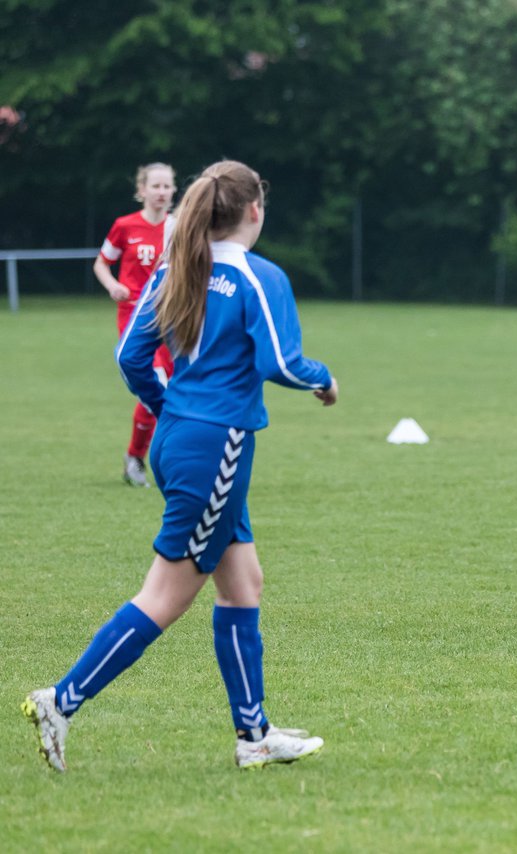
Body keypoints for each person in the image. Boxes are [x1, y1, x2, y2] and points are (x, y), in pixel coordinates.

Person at [22, 160, 338, 772]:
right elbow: (281, 359)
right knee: (165, 596)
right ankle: (61, 700)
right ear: (254, 211)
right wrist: (325, 381)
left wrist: (173, 407)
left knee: (244, 584)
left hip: (177, 440)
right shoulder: (257, 274)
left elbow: (131, 356)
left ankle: (254, 736)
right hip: (216, 449)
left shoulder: (178, 267)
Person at [94, 162, 178, 487]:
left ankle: (135, 457)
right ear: (141, 190)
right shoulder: (125, 226)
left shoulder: (179, 227)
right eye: (155, 186)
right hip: (136, 319)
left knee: (172, 388)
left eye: (167, 186)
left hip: (172, 319)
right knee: (156, 387)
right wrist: (112, 285)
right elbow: (102, 263)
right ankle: (160, 459)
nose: (161, 192)